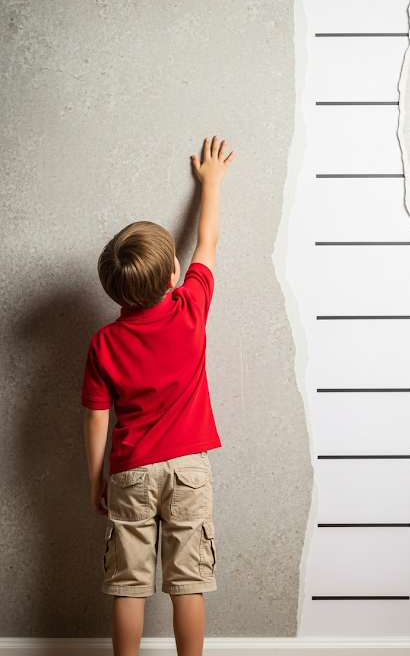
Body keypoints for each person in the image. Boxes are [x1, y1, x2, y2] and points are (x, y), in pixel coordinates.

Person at [82, 136, 235, 656]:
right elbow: (207, 243)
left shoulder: (103, 343)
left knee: (128, 585)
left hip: (129, 472)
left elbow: (97, 420)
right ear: (172, 277)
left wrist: (96, 479)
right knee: (187, 582)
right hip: (188, 469)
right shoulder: (189, 308)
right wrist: (211, 184)